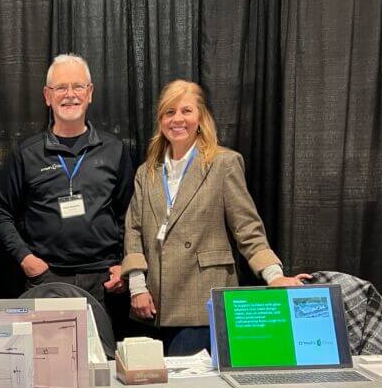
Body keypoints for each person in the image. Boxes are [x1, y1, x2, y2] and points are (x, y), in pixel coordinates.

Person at [121, 80, 310, 355]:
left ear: (201, 118)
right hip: (153, 305)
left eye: (186, 111)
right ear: (161, 120)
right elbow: (134, 230)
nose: (177, 119)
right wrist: (137, 287)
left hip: (203, 299)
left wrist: (274, 276)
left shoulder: (224, 163)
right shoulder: (147, 171)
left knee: (193, 381)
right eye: (169, 112)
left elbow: (247, 228)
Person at [0, 54, 134, 308]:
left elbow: (130, 213)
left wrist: (123, 263)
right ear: (47, 96)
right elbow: (0, 212)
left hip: (104, 281)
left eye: (78, 86)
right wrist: (26, 259)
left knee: (104, 337)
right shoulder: (26, 153)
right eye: (60, 88)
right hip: (47, 278)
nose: (70, 94)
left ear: (90, 93)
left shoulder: (114, 149)